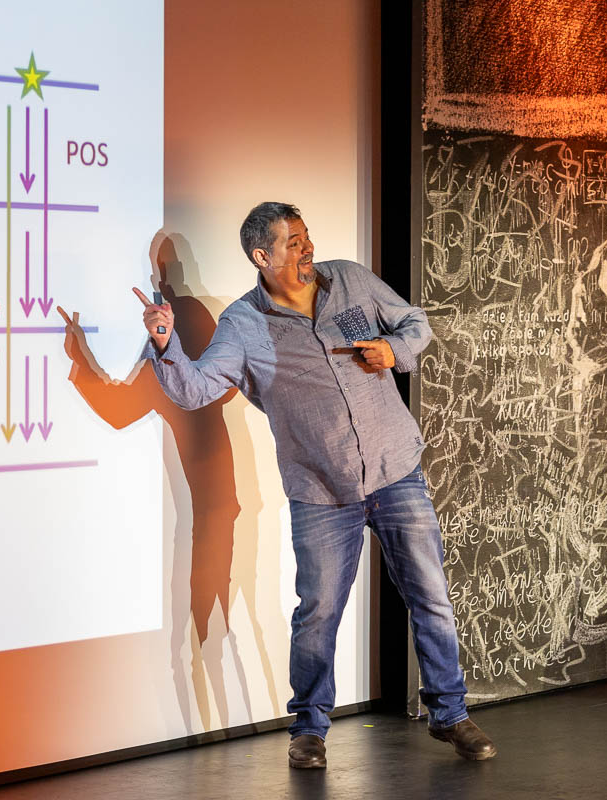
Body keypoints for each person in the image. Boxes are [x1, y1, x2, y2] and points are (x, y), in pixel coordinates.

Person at [68, 202, 496, 768]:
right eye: (292, 242)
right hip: (320, 490)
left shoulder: (350, 280)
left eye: (306, 236)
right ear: (261, 256)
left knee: (431, 597)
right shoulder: (244, 325)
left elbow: (416, 322)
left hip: (395, 471)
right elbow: (196, 389)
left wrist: (394, 350)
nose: (306, 248)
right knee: (317, 613)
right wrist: (167, 343)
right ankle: (310, 728)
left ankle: (450, 715)